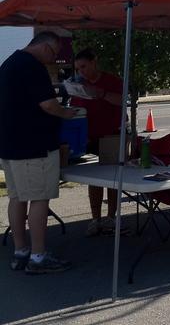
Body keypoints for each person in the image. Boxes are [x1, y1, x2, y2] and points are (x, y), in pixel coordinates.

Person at [0, 31, 77, 274]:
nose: (53, 59)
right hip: (34, 146)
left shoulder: (9, 63)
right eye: (54, 54)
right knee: (39, 199)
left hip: (10, 144)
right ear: (45, 47)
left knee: (17, 198)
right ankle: (38, 256)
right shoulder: (32, 66)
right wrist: (67, 113)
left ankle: (21, 251)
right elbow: (48, 104)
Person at [69, 48, 124, 236]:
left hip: (111, 137)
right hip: (89, 139)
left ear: (94, 62)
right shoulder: (79, 86)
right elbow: (75, 111)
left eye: (84, 66)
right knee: (94, 181)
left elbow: (122, 101)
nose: (81, 72)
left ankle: (111, 217)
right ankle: (96, 219)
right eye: (78, 69)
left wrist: (101, 94)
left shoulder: (112, 81)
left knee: (113, 179)